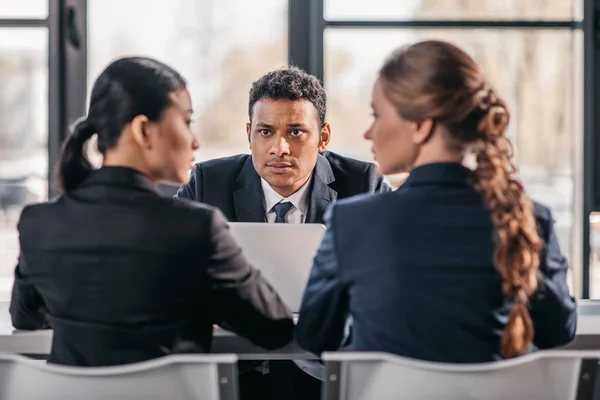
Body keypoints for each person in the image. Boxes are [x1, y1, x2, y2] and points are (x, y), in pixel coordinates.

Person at [296, 40, 577, 362]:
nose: (369, 133)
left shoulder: (353, 222)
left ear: (420, 125)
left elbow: (314, 336)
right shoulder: (528, 218)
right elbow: (558, 332)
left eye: (377, 114)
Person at [9, 56, 294, 367]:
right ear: (143, 130)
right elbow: (274, 329)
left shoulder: (38, 223)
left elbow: (25, 318)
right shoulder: (195, 228)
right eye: (186, 122)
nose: (195, 141)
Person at [176, 67, 389, 400]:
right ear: (249, 134)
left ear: (324, 137)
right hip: (238, 373)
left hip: (325, 374)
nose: (280, 148)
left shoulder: (365, 185)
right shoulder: (206, 185)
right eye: (265, 132)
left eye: (296, 132)